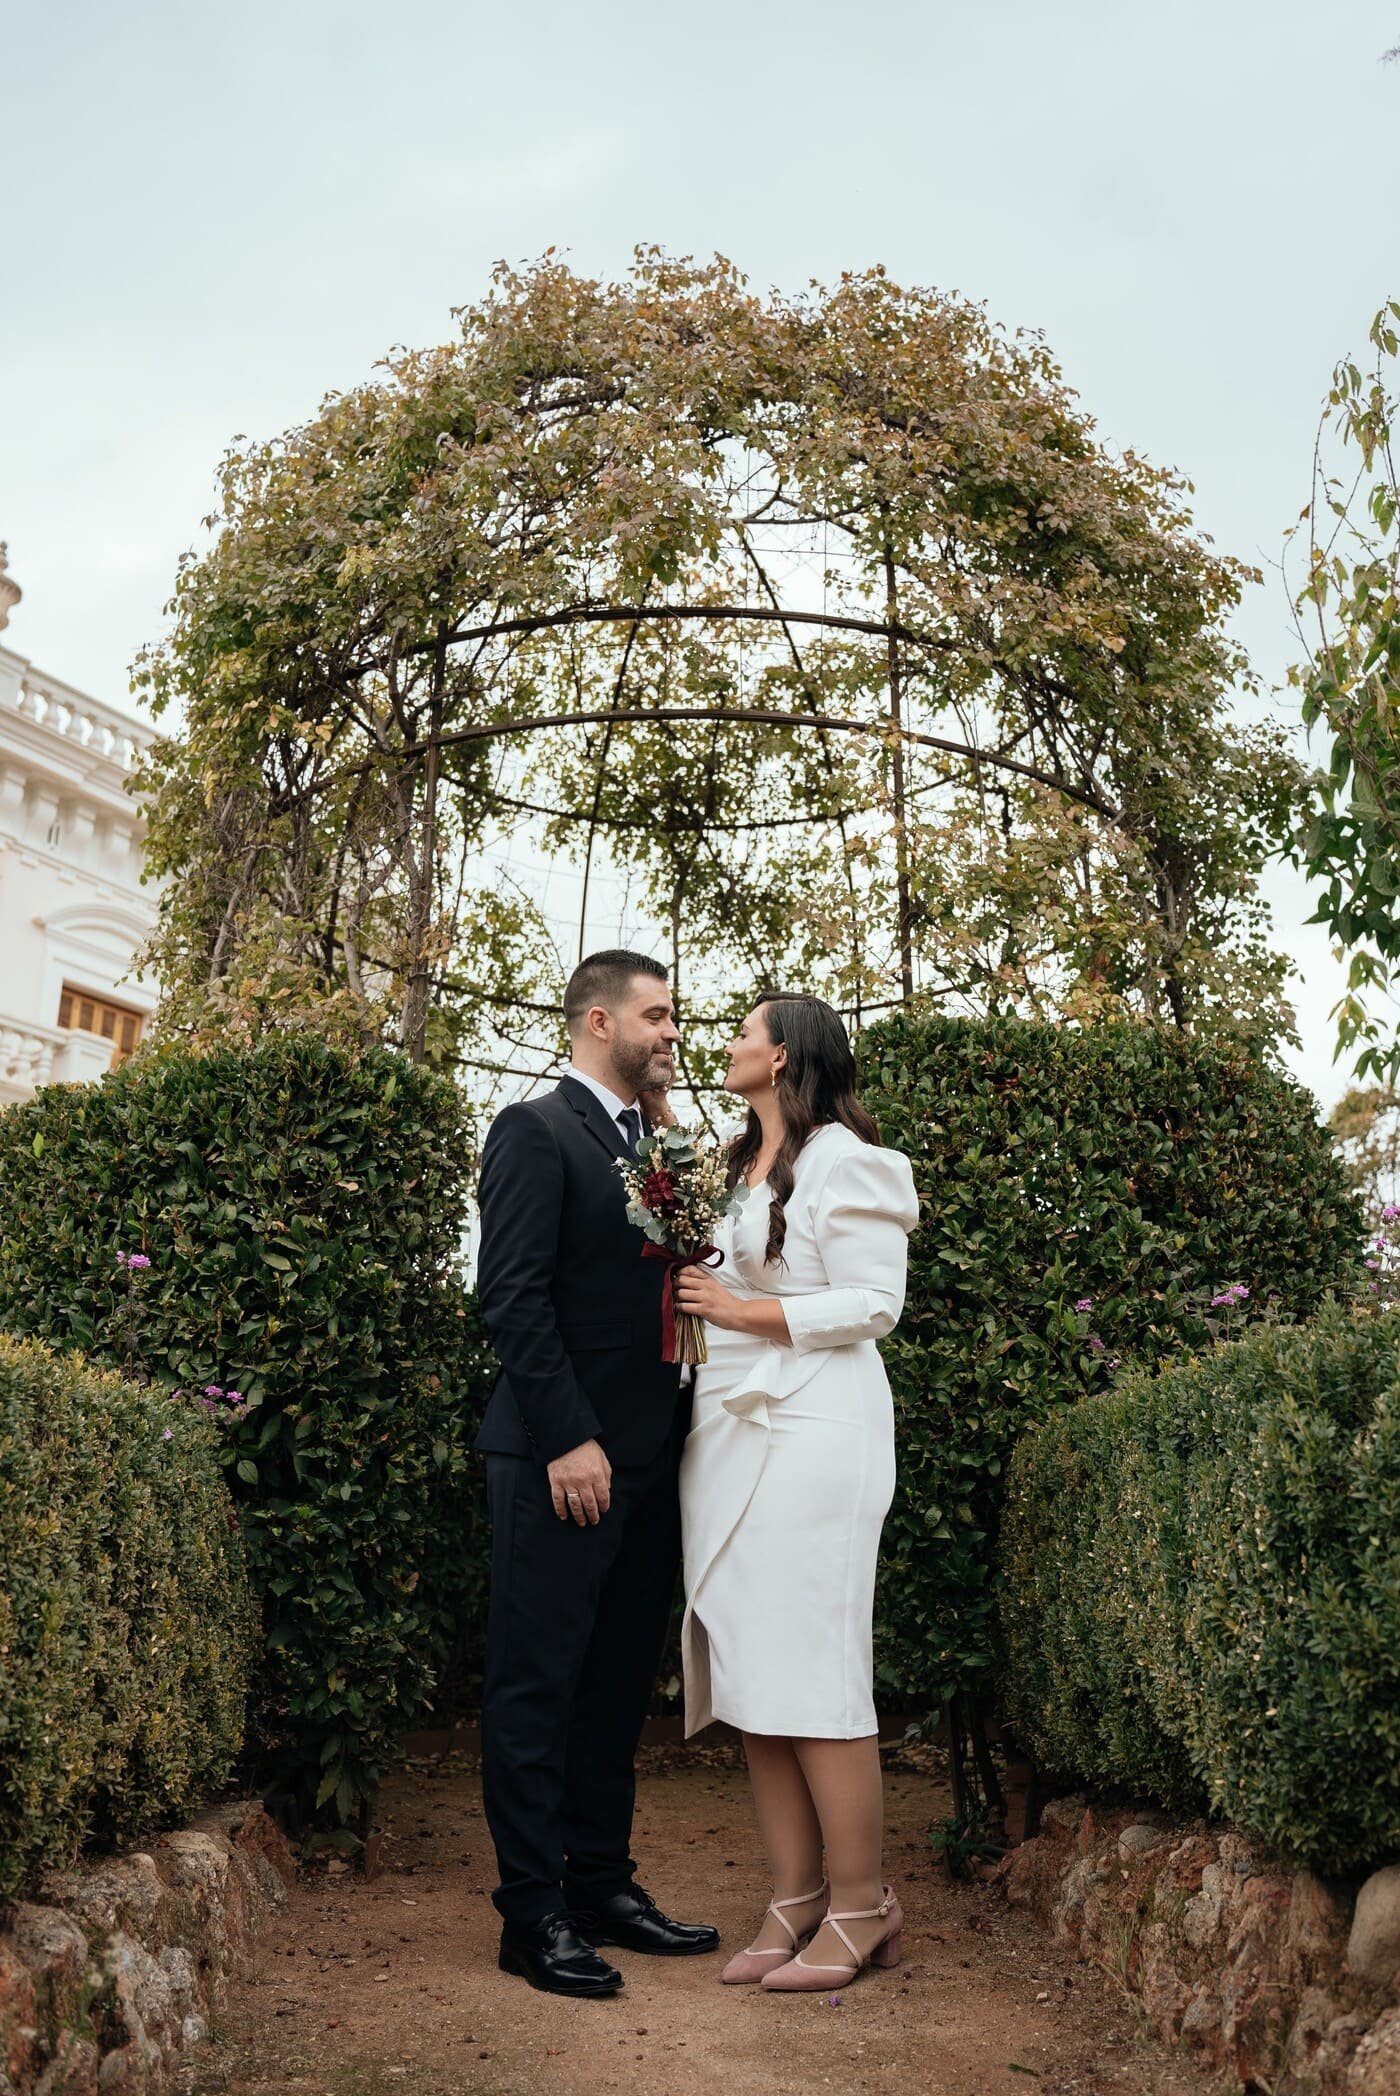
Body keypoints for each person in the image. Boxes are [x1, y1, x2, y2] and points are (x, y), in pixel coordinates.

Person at [474, 950, 720, 1998]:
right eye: (656, 1015)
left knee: (617, 1683)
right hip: (559, 1456)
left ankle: (600, 1884)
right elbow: (511, 1296)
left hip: (651, 1456)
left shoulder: (652, 1144)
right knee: (538, 1684)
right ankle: (531, 1913)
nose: (672, 1032)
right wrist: (569, 1437)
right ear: (597, 1021)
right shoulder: (535, 1131)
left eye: (673, 1016)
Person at [674, 993, 919, 1993]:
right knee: (754, 1670)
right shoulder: (737, 1166)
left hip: (815, 1427)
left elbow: (874, 1302)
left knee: (815, 1667)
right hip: (728, 1427)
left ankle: (861, 1903)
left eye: (745, 1031)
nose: (729, 1043)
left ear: (781, 1057)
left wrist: (740, 1310)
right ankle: (795, 1895)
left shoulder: (847, 1160)